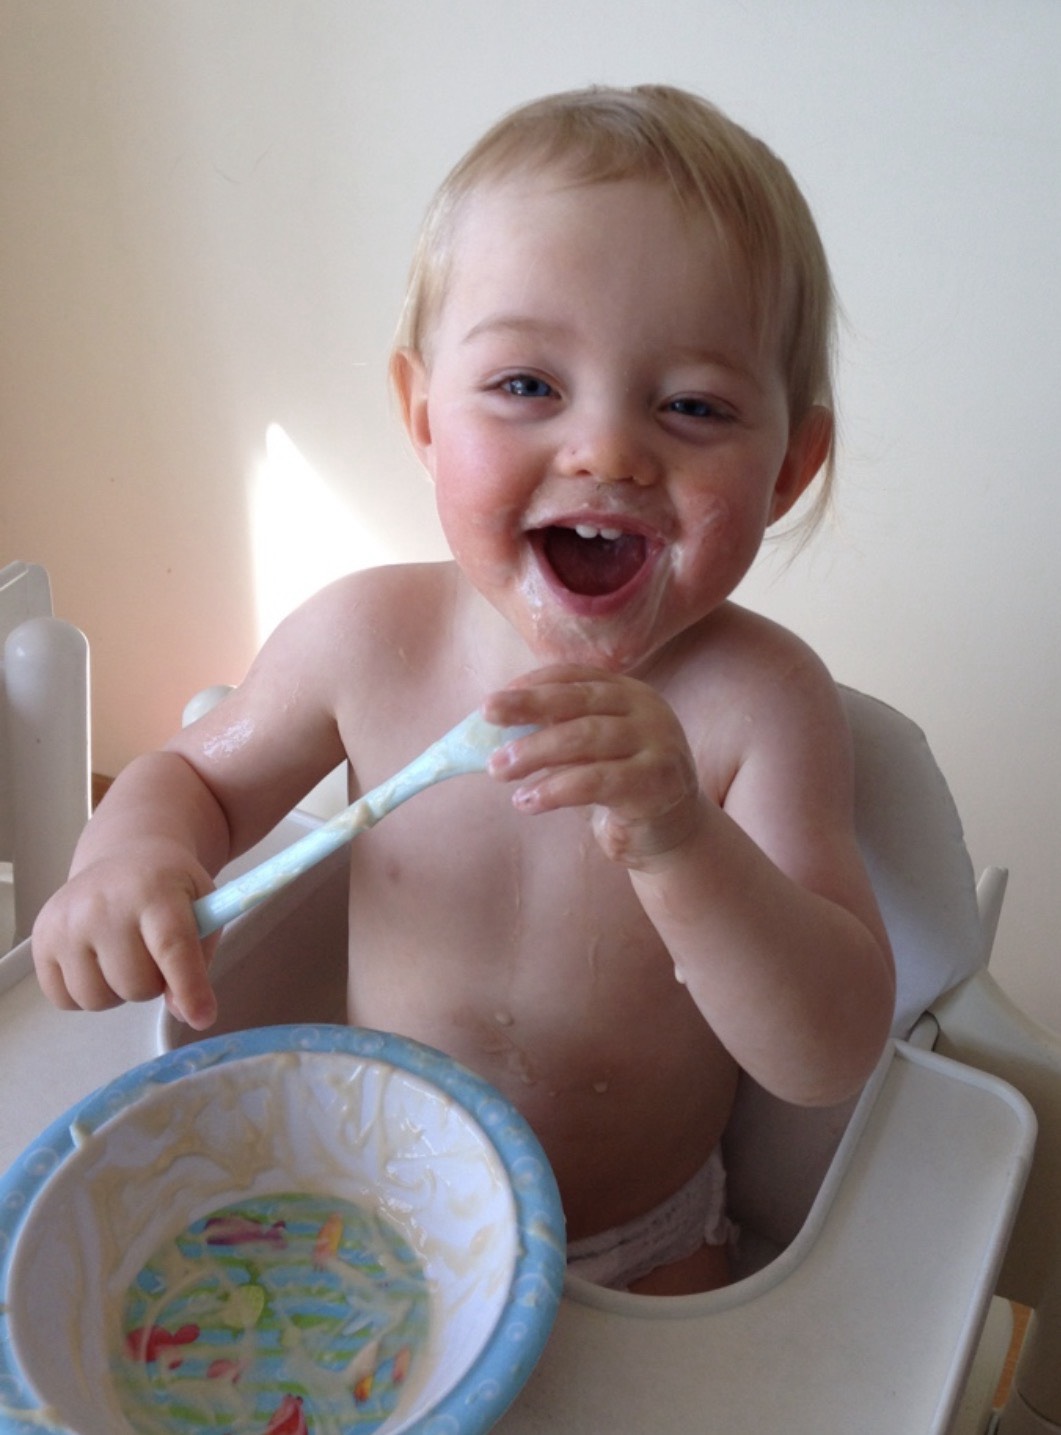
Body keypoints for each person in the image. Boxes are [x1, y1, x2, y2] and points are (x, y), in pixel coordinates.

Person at [32, 84, 894, 1295]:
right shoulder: (363, 640)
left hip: (639, 1243)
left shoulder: (761, 707)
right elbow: (194, 779)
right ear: (423, 414)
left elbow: (827, 1048)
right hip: (375, 1199)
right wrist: (126, 858)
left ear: (788, 468)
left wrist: (680, 839)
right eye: (527, 386)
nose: (606, 450)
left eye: (692, 406)